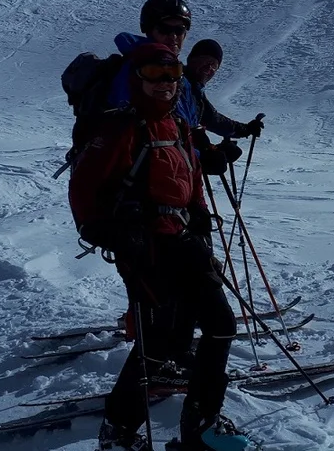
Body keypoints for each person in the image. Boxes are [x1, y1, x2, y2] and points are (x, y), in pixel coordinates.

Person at [68, 42, 245, 451]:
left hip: (182, 238)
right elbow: (83, 192)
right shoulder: (120, 127)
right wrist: (111, 232)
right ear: (137, 78)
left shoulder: (179, 125)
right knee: (158, 339)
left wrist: (199, 214)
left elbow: (191, 179)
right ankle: (118, 431)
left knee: (220, 324)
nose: (165, 83)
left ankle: (201, 425)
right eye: (153, 74)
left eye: (172, 75)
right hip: (144, 246)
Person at [177, 38, 265, 176]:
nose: (209, 68)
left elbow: (213, 119)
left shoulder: (195, 91)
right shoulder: (176, 85)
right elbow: (175, 132)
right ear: (192, 60)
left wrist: (244, 129)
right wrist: (202, 154)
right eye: (205, 61)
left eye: (214, 65)